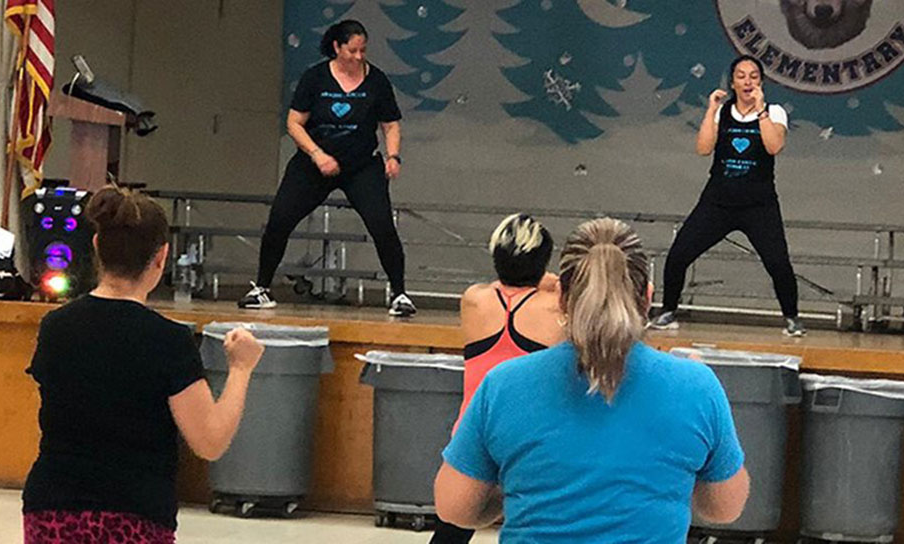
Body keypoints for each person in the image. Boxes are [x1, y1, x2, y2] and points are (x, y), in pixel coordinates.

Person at [434, 217, 750, 542]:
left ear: (560, 296)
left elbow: (454, 508)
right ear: (647, 298)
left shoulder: (502, 385)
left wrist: (516, 491)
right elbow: (724, 508)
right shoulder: (696, 386)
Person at [22, 188, 264, 543]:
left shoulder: (55, 328)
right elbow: (209, 441)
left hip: (52, 508)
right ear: (161, 257)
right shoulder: (167, 340)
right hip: (135, 514)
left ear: (96, 246)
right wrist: (241, 370)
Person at [239, 19, 414, 316]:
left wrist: (393, 156)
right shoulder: (316, 78)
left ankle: (399, 294)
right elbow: (294, 123)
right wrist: (317, 154)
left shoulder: (377, 81)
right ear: (337, 47)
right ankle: (262, 288)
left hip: (361, 165)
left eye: (363, 50)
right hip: (313, 163)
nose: (359, 57)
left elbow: (390, 124)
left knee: (382, 225)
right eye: (352, 50)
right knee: (280, 219)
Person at [649, 54, 806, 337]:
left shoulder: (775, 111)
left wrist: (761, 111)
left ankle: (792, 318)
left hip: (759, 204)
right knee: (678, 255)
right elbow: (703, 149)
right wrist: (710, 110)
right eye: (741, 76)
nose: (748, 81)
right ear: (732, 82)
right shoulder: (723, 112)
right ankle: (669, 310)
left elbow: (773, 147)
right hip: (718, 202)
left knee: (778, 263)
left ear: (761, 81)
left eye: (754, 76)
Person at [431, 214, 564, 544]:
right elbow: (564, 285)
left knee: (453, 529)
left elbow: (502, 284)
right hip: (529, 436)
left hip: (473, 431)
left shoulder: (474, 299)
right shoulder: (556, 307)